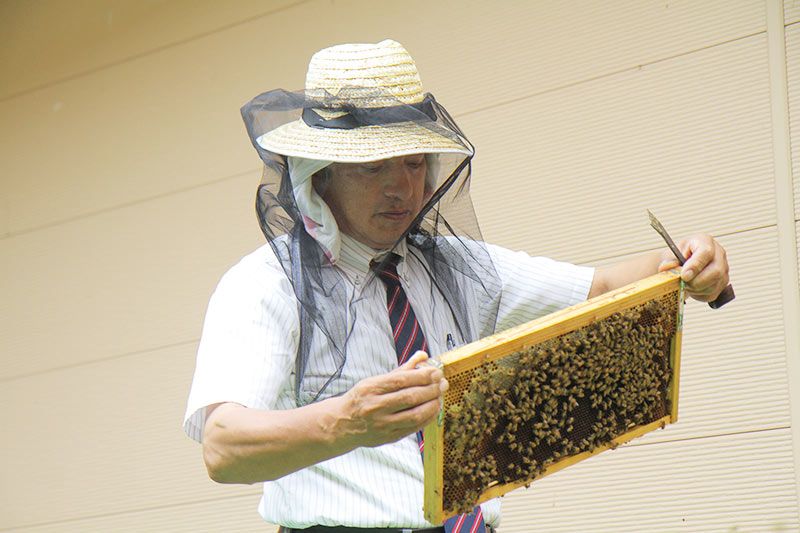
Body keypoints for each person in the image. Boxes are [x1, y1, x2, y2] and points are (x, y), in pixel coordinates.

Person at [183, 40, 730, 532]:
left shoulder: (457, 267)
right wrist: (347, 422)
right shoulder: (266, 284)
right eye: (374, 166)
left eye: (414, 162)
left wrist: (688, 262)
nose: (403, 187)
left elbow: (606, 287)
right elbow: (224, 446)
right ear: (318, 172)